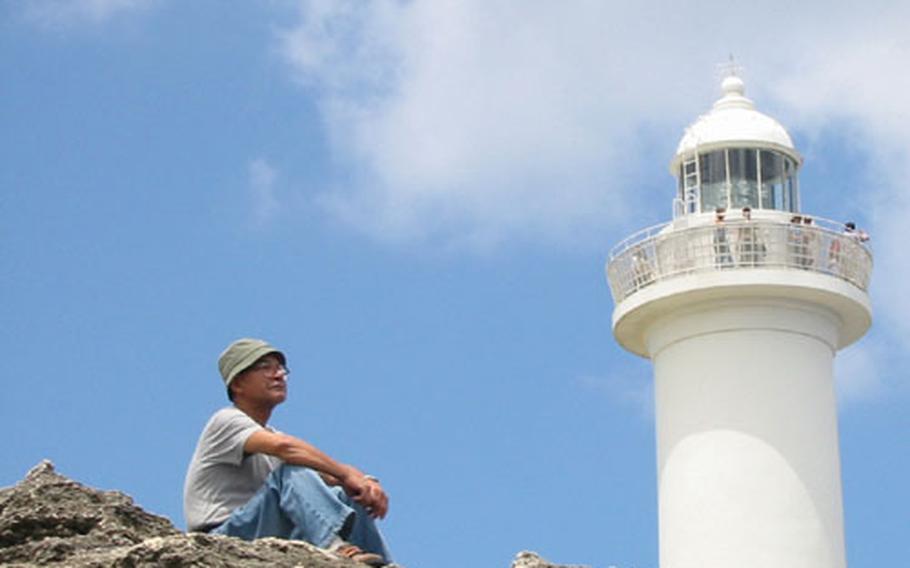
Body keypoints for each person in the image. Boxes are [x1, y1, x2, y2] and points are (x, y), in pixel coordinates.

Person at [184, 338, 392, 566]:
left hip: (262, 527)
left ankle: (383, 563)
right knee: (293, 469)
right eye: (265, 368)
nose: (278, 375)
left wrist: (364, 482)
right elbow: (287, 449)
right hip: (221, 537)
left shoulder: (270, 436)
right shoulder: (226, 421)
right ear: (238, 383)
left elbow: (325, 476)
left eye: (280, 368)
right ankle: (336, 548)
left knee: (350, 495)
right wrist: (347, 474)